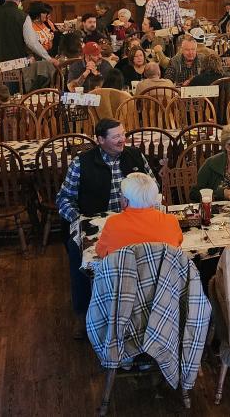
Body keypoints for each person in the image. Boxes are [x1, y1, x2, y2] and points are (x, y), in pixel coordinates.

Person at [56, 119, 153, 332]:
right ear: (100, 140)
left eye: (123, 134)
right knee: (77, 253)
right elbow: (63, 198)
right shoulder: (82, 162)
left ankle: (141, 308)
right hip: (94, 224)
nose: (122, 140)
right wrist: (79, 221)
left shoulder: (135, 156)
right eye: (116, 136)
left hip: (132, 220)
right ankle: (83, 312)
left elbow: (151, 188)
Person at [93, 173, 183, 258]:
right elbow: (177, 244)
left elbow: (101, 251)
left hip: (126, 274)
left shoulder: (113, 223)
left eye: (121, 195)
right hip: (163, 274)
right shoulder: (171, 221)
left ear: (125, 200)